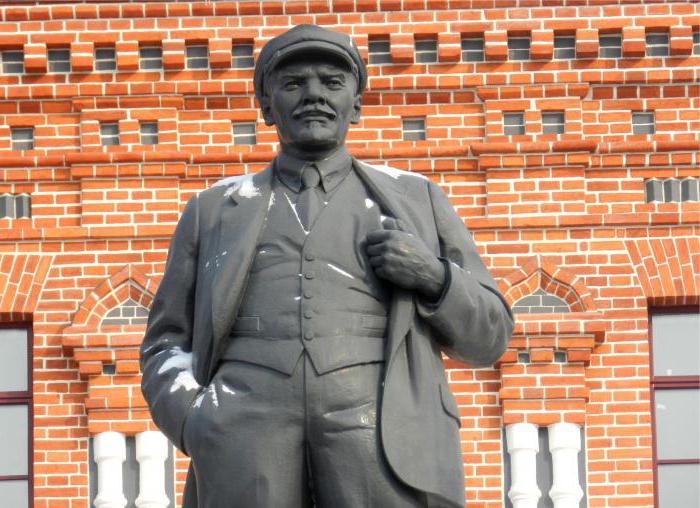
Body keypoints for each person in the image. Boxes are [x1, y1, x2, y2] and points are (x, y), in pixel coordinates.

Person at [140, 24, 514, 508]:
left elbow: (491, 334)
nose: (313, 95)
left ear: (355, 105)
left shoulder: (416, 200)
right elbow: (166, 342)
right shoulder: (212, 211)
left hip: (383, 438)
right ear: (266, 106)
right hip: (243, 436)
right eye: (293, 84)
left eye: (332, 83)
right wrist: (196, 419)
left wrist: (435, 277)